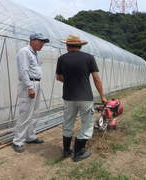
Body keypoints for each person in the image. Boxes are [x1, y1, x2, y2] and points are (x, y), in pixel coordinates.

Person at [56, 34, 107, 162]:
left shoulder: (62, 58)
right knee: (87, 123)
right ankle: (78, 152)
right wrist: (102, 96)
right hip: (85, 97)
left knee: (68, 123)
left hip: (68, 97)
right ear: (80, 45)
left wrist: (70, 81)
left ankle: (66, 150)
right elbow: (96, 79)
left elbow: (58, 77)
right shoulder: (89, 58)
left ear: (67, 46)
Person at [12, 33, 50, 153]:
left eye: (43, 43)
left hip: (36, 83)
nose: (42, 44)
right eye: (40, 42)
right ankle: (17, 141)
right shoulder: (25, 51)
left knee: (35, 113)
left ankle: (30, 136)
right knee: (25, 114)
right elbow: (23, 71)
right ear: (32, 40)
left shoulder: (34, 53)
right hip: (29, 84)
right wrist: (29, 87)